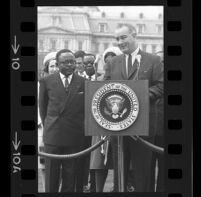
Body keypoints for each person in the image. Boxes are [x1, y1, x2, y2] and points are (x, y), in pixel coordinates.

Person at [104, 23, 164, 192]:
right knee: (120, 171)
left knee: (142, 171)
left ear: (134, 35)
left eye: (123, 37)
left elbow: (161, 86)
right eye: (117, 39)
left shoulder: (153, 60)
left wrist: (139, 96)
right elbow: (105, 89)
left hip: (143, 126)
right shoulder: (113, 62)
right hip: (118, 125)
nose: (120, 42)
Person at [39, 49, 86, 192]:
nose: (70, 65)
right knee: (52, 174)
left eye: (72, 62)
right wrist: (49, 126)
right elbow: (43, 108)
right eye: (66, 62)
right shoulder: (47, 81)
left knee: (70, 175)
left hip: (74, 135)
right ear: (57, 64)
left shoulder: (83, 82)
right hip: (53, 134)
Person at [89, 47, 122, 192]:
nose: (109, 64)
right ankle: (98, 189)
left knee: (121, 162)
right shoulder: (98, 80)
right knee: (99, 162)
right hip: (100, 127)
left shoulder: (127, 79)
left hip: (122, 126)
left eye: (113, 61)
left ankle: (118, 188)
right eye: (107, 62)